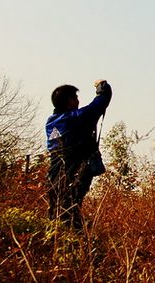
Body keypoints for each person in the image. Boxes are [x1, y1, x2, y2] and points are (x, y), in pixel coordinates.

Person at [45, 79, 112, 229]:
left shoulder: (51, 122)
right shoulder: (74, 119)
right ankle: (77, 242)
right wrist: (102, 87)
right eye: (75, 98)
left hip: (53, 177)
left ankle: (56, 240)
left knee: (56, 212)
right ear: (69, 102)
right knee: (70, 211)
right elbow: (100, 103)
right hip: (73, 175)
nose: (78, 101)